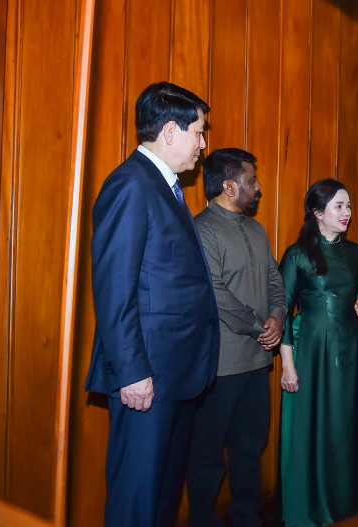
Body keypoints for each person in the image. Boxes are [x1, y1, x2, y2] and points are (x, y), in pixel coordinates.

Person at [85, 81, 219, 527]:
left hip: (176, 374)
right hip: (148, 376)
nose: (203, 144)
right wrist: (132, 371)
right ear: (170, 132)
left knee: (162, 499)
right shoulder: (130, 185)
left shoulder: (168, 188)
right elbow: (113, 289)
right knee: (136, 502)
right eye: (199, 132)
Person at [186, 148, 286, 527]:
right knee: (207, 454)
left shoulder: (257, 229)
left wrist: (277, 316)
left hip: (258, 363)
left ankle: (248, 519)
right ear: (229, 186)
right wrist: (260, 327)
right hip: (220, 365)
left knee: (249, 448)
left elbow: (275, 279)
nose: (258, 187)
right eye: (251, 180)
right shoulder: (202, 228)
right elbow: (214, 294)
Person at [278, 179, 358, 526]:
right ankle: (313, 510)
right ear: (318, 213)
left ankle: (351, 507)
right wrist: (288, 366)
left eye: (348, 205)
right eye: (338, 206)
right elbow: (281, 313)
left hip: (350, 350)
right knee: (316, 430)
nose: (346, 212)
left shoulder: (355, 252)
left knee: (346, 428)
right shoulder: (297, 254)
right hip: (312, 354)